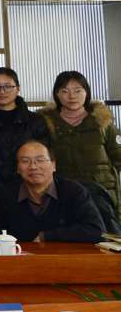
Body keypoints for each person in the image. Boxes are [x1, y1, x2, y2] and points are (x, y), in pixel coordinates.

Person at [0, 140, 105, 243]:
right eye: (25, 161)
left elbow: (96, 231)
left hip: (66, 258)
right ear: (18, 168)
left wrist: (48, 236)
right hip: (21, 259)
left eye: (40, 160)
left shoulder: (73, 191)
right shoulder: (6, 196)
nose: (33, 167)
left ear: (53, 165)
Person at [38, 71, 121, 213]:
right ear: (57, 94)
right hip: (63, 195)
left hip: (103, 195)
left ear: (86, 92)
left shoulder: (103, 122)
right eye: (65, 91)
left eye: (78, 90)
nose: (72, 96)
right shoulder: (45, 124)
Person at [0, 67, 48, 200]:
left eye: (8, 86)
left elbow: (44, 158)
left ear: (18, 89)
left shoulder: (35, 121)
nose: (2, 91)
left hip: (29, 190)